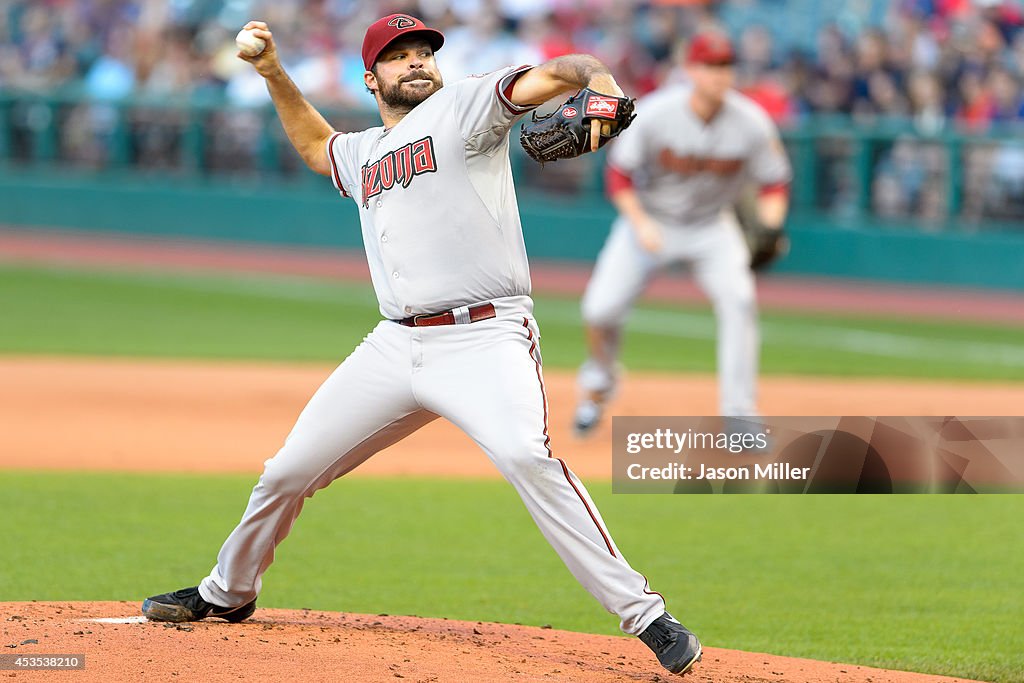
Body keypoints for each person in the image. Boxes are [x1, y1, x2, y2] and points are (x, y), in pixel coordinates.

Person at [140, 13, 702, 678]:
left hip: (485, 336)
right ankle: (226, 592)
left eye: (422, 52)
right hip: (394, 345)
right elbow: (319, 147)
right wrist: (272, 73)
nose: (416, 63)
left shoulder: (466, 106)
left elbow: (566, 72)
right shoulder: (366, 154)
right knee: (286, 471)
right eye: (398, 55)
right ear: (371, 76)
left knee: (528, 457)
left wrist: (601, 83)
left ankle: (648, 617)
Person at [573, 31, 791, 436]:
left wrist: (772, 224)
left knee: (740, 302)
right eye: (709, 65)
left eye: (725, 66)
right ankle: (600, 384)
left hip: (712, 226)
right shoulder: (656, 113)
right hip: (650, 221)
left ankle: (739, 414)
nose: (718, 75)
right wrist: (640, 223)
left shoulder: (752, 123)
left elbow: (774, 184)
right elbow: (619, 176)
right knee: (599, 311)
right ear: (690, 69)